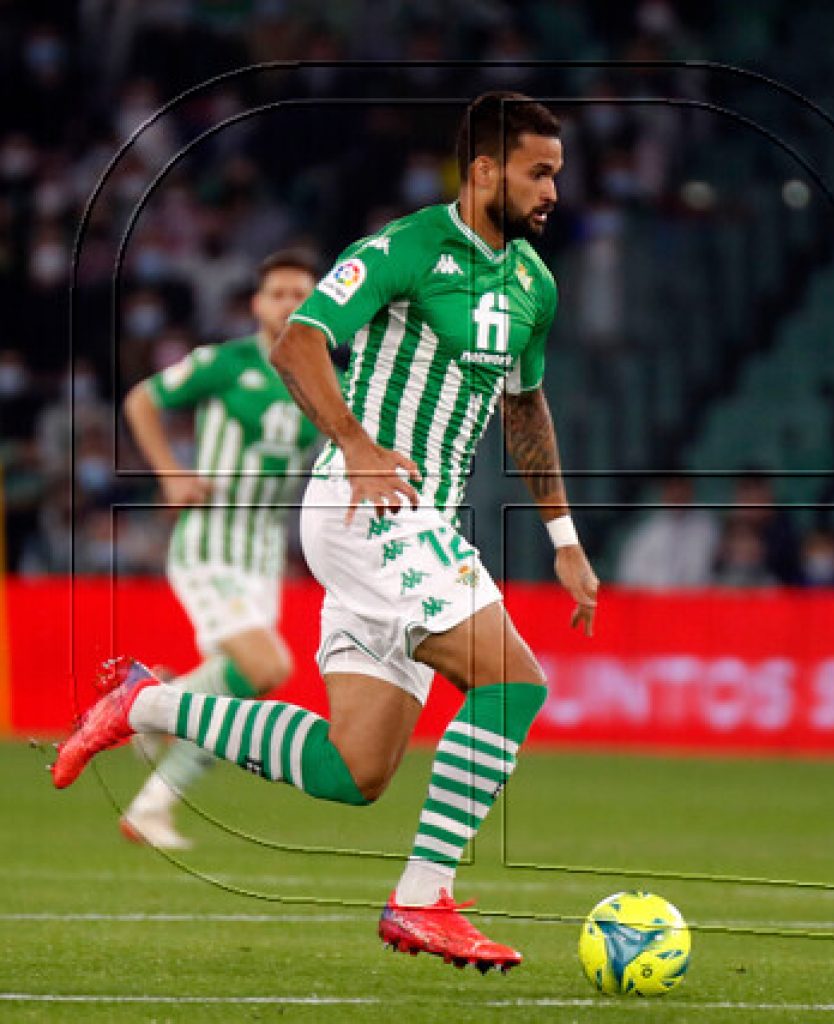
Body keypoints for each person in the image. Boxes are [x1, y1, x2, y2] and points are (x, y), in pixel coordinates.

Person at [52, 92, 600, 973]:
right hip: (368, 504)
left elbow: (526, 407)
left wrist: (564, 537)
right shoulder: (404, 248)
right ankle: (422, 899)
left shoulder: (534, 284)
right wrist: (356, 444)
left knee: (356, 769)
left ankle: (146, 704)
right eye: (538, 173)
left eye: (556, 175)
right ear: (484, 170)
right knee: (513, 682)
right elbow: (299, 342)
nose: (552, 192)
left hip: (419, 522)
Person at [117, 249, 321, 849]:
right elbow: (141, 399)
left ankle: (151, 805)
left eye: (301, 295)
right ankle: (146, 705)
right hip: (210, 544)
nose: (289, 304)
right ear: (257, 304)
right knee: (268, 666)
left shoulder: (324, 383)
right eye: (278, 293)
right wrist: (170, 473)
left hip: (263, 554)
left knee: (237, 691)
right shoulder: (224, 363)